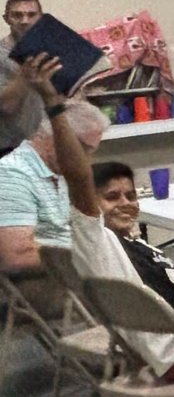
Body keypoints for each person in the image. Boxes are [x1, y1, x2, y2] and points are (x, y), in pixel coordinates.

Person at [18, 59, 174, 382]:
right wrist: (53, 105)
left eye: (130, 196)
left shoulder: (126, 243)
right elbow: (78, 177)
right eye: (111, 197)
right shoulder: (95, 242)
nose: (124, 204)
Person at [0, 74, 104, 276]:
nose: (84, 159)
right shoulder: (12, 173)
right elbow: (18, 256)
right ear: (54, 136)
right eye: (81, 148)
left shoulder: (61, 176)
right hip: (48, 284)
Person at [0, 0, 49, 155]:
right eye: (17, 15)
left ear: (41, 18)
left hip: (50, 144)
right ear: (6, 19)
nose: (24, 21)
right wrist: (24, 76)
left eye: (31, 15)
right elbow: (6, 107)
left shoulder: (52, 50)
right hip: (11, 149)